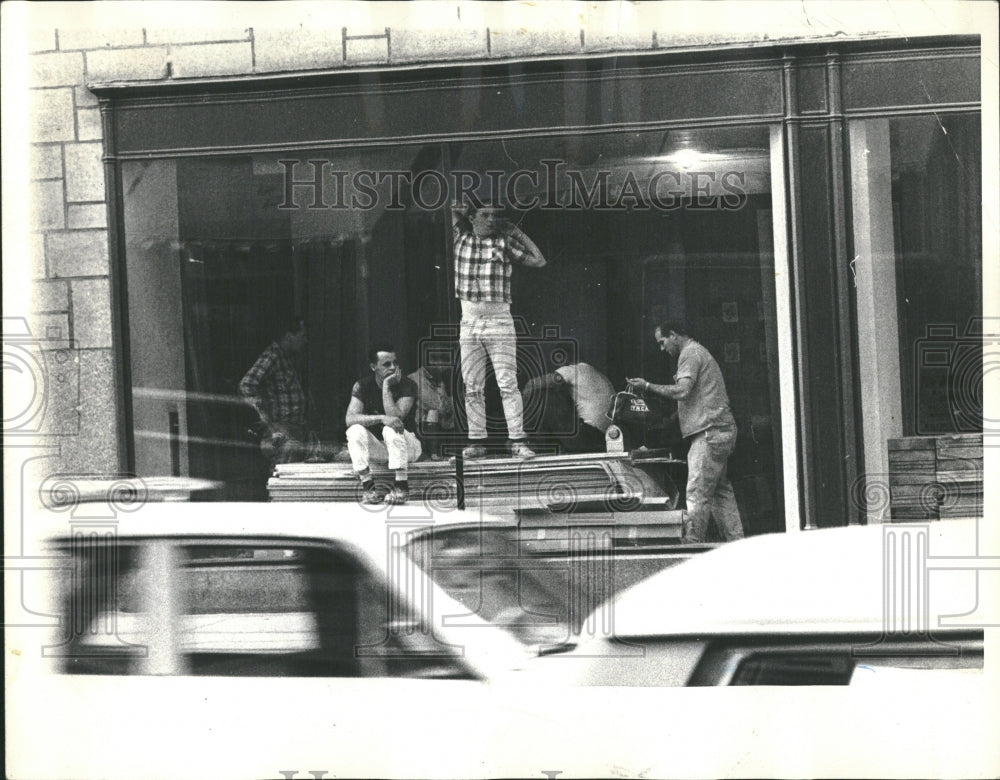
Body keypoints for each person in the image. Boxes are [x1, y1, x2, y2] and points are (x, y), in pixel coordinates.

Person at [628, 321, 744, 542]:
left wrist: (647, 386)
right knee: (720, 492)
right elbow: (695, 398)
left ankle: (690, 546)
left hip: (708, 433)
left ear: (673, 335)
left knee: (696, 493)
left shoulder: (689, 353)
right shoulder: (700, 352)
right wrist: (670, 420)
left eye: (662, 342)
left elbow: (682, 391)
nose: (662, 349)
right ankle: (737, 542)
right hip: (720, 429)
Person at [452, 200, 547, 460]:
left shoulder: (503, 243)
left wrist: (515, 231)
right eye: (485, 214)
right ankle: (477, 442)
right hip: (469, 321)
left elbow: (539, 261)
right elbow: (450, 209)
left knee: (507, 383)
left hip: (499, 321)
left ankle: (517, 440)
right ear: (472, 217)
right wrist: (462, 209)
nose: (492, 219)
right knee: (472, 385)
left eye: (496, 215)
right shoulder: (459, 239)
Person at [345, 344, 422, 505]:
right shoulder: (362, 385)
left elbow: (395, 418)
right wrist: (380, 418)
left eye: (395, 363)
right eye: (386, 364)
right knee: (355, 430)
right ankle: (368, 487)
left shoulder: (407, 384)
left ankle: (401, 486)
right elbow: (350, 419)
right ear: (373, 367)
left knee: (391, 427)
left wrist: (386, 386)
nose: (393, 367)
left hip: (409, 447)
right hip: (382, 449)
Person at [239, 317, 309, 466]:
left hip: (294, 428)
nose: (305, 341)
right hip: (282, 429)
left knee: (293, 477)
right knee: (284, 478)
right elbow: (247, 384)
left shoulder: (288, 357)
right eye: (302, 336)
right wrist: (265, 418)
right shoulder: (273, 356)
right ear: (289, 337)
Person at [522, 362, 615, 453]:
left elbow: (531, 385)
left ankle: (531, 442)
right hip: (605, 439)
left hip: (588, 435)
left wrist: (521, 404)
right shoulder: (595, 374)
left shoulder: (574, 370)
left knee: (543, 395)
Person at [407, 364, 456, 458]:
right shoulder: (416, 378)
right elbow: (439, 407)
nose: (443, 364)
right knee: (433, 413)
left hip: (443, 428)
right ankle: (433, 453)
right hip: (421, 431)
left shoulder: (439, 377)